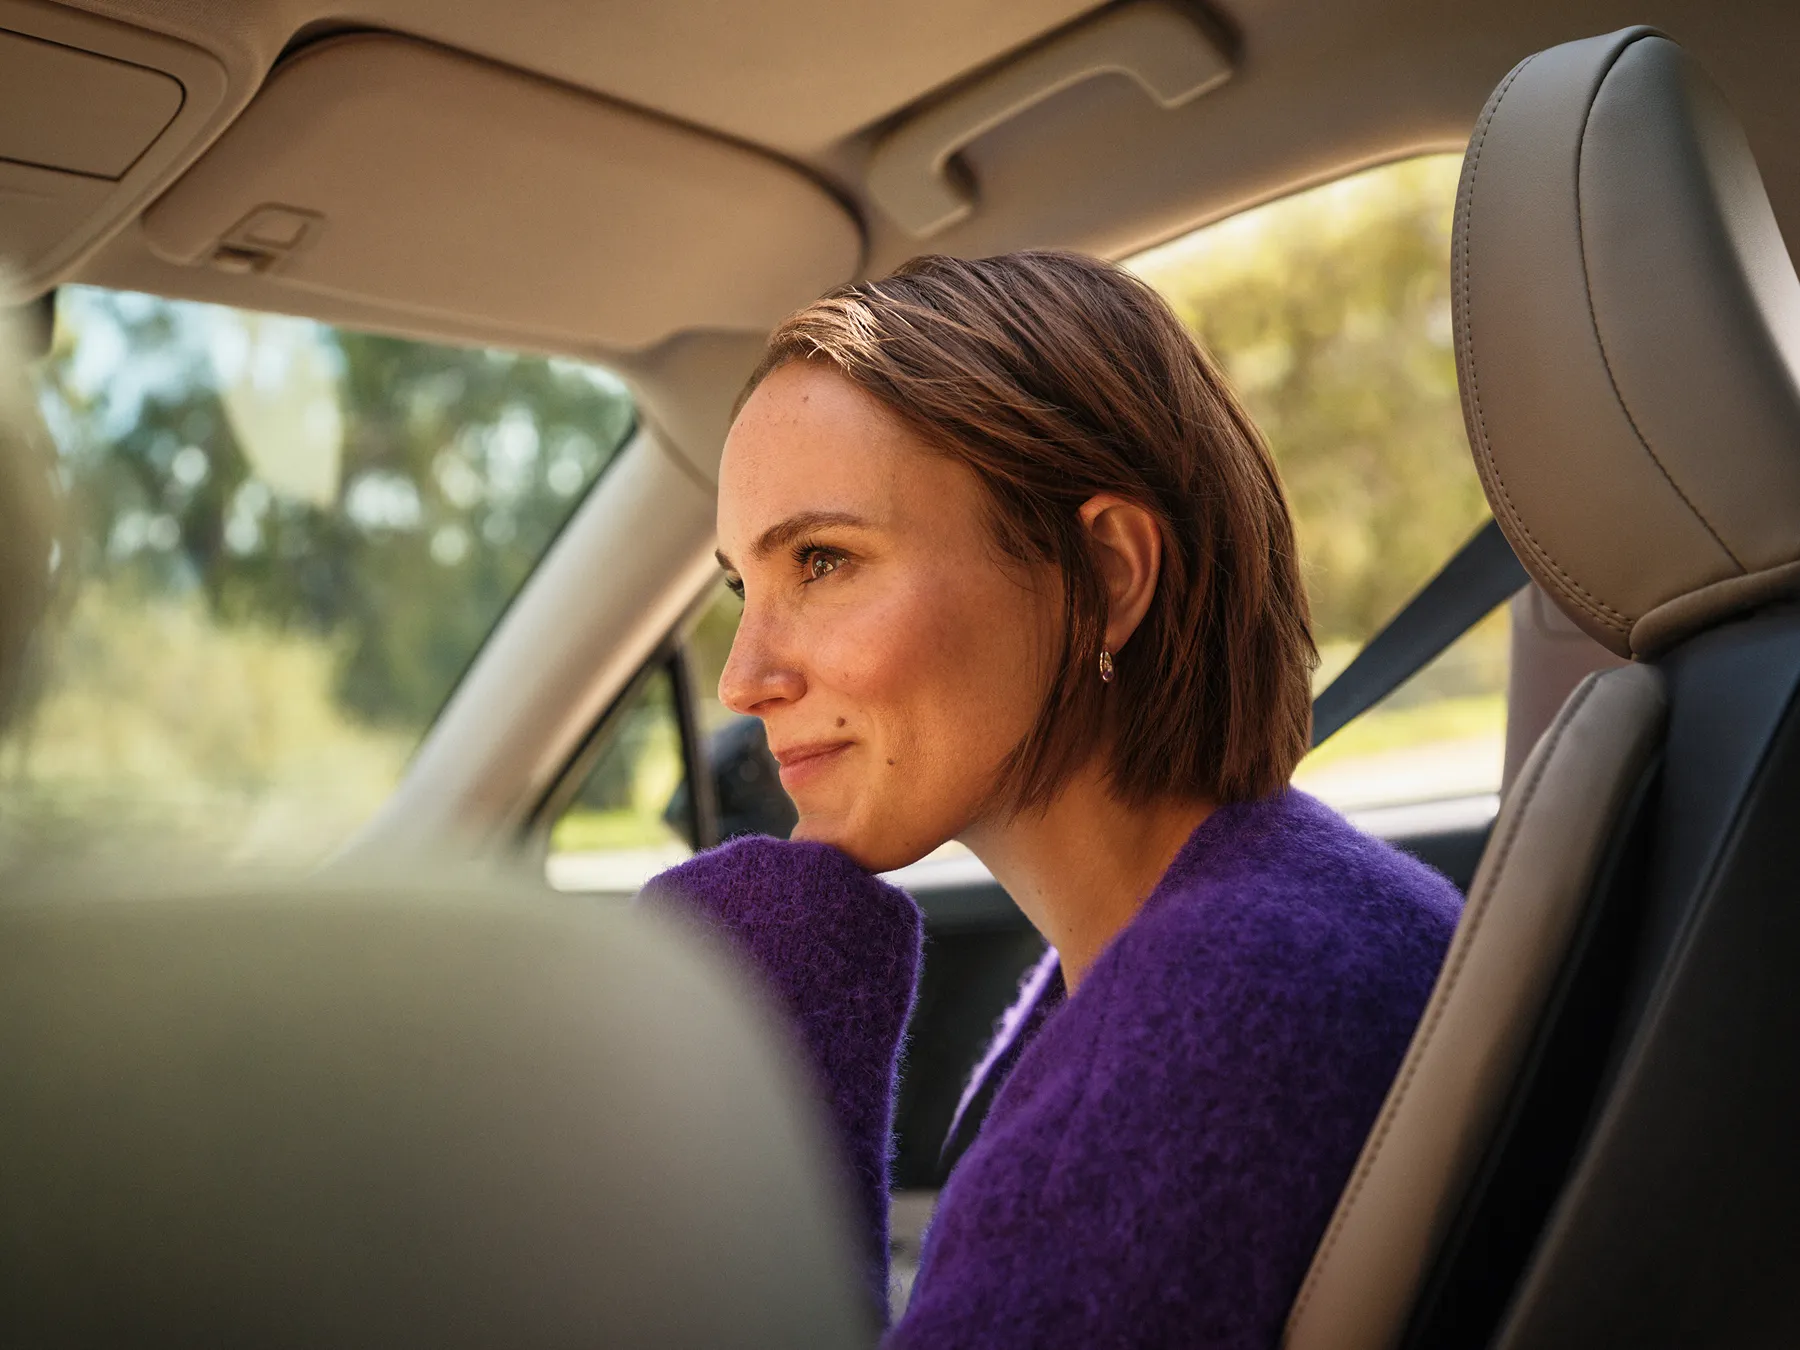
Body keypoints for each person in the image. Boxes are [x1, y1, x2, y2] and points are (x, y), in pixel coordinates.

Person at [641, 251, 1460, 1347]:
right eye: (748, 586)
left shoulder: (1218, 1029)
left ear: (1107, 577)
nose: (745, 678)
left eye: (825, 561)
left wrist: (754, 1037)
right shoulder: (1278, 924)